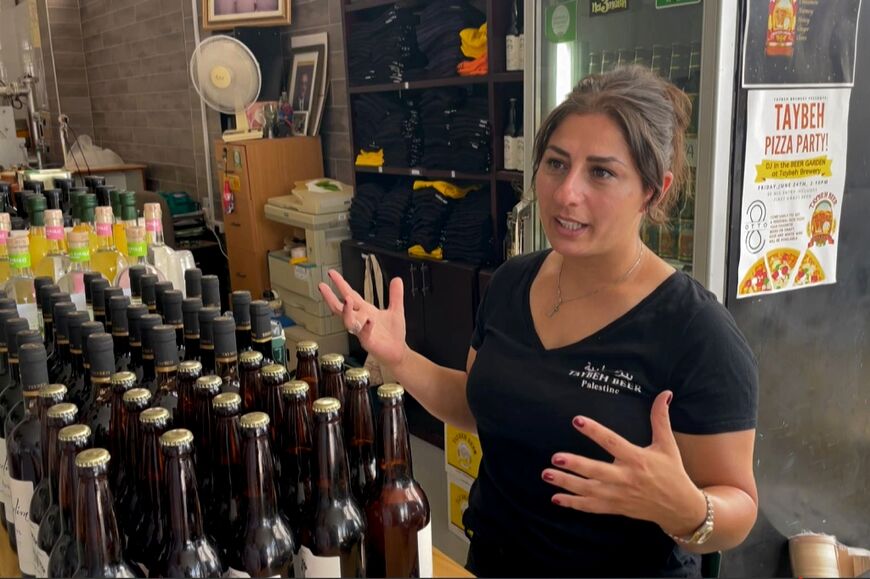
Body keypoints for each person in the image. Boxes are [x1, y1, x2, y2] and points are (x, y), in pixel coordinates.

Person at [320, 66, 759, 577]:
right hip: (493, 559)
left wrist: (687, 509)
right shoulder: (511, 283)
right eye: (556, 163)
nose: (566, 192)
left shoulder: (697, 332)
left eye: (601, 172)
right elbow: (474, 402)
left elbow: (739, 507)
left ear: (653, 192)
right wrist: (399, 359)